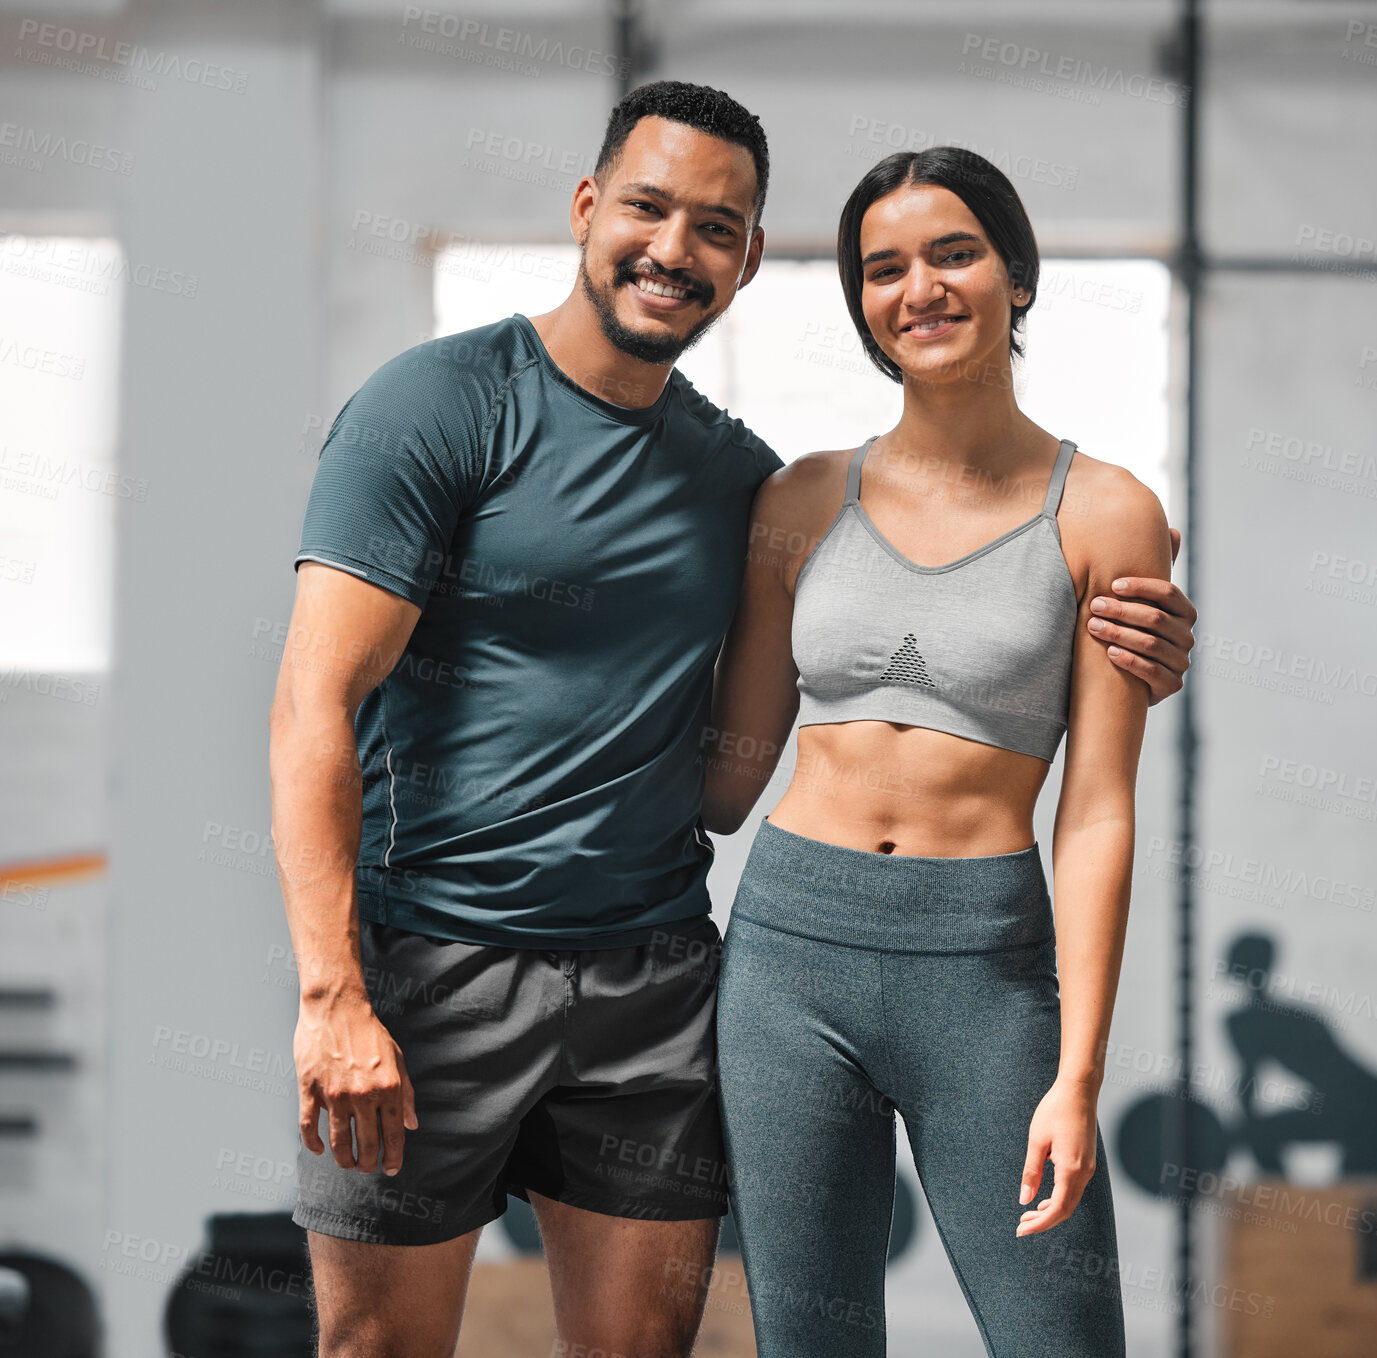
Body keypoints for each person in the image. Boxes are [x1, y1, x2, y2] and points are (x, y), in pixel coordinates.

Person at [269, 81, 1195, 1358]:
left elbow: (1058, 795)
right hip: (548, 960)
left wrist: (1123, 643)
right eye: (648, 207)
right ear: (588, 209)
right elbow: (328, 699)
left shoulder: (760, 481)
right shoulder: (487, 418)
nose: (675, 247)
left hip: (728, 971)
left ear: (750, 258)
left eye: (717, 226)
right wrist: (333, 987)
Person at [705, 145, 1173, 1356]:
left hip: (983, 969)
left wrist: (1076, 1074)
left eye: (952, 252)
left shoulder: (1107, 511)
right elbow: (725, 771)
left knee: (1061, 1337)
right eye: (883, 267)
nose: (919, 286)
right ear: (862, 304)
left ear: (1014, 274)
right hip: (787, 954)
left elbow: (1098, 811)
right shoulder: (801, 500)